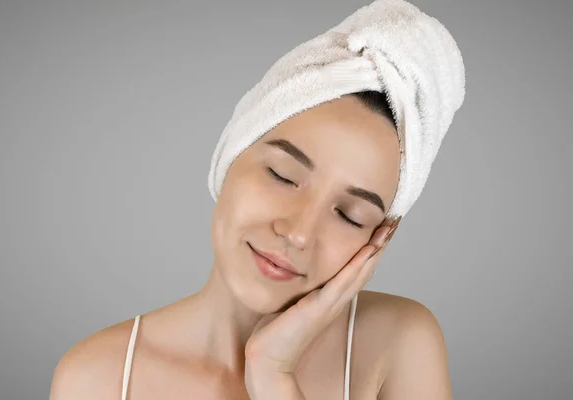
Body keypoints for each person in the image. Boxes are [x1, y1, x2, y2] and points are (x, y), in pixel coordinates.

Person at [50, 1, 465, 399]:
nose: (299, 232)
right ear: (230, 156)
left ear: (377, 240)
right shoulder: (95, 376)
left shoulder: (398, 345)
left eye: (349, 215)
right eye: (283, 176)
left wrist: (273, 374)